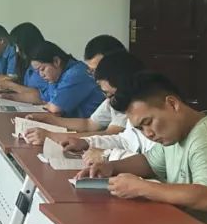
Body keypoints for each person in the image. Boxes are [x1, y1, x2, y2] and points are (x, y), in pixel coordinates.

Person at [79, 72, 207, 224]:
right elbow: (149, 162)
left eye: (148, 122)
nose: (148, 134)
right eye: (140, 128)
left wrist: (141, 187)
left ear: (172, 104)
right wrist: (110, 167)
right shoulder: (176, 133)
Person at [24, 50, 155, 162]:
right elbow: (94, 126)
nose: (93, 76)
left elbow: (151, 162)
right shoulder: (117, 98)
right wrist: (50, 120)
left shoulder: (133, 104)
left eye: (96, 70)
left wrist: (106, 155)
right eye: (91, 71)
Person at [22, 41, 105, 118]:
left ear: (56, 61)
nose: (41, 75)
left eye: (42, 69)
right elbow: (45, 99)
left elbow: (54, 109)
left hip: (88, 126)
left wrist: (50, 105)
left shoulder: (75, 74)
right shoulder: (56, 76)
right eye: (37, 71)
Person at [0, 22, 48, 102]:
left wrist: (11, 86)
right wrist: (15, 81)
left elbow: (41, 96)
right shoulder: (27, 63)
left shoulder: (43, 64)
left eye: (18, 46)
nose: (17, 51)